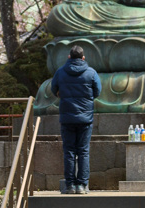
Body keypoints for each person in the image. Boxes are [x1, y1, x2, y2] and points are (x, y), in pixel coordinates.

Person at [51, 44, 102, 194]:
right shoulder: (91, 73)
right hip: (85, 118)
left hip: (67, 117)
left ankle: (70, 185)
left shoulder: (60, 72)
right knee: (83, 151)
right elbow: (97, 91)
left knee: (69, 152)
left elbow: (54, 89)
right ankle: (82, 185)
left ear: (69, 57)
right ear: (83, 57)